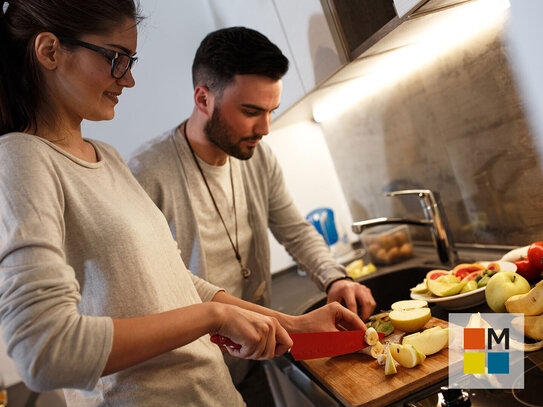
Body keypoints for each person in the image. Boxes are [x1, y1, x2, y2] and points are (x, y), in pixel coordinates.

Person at [0, 2, 366, 407]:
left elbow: (174, 283)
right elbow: (44, 353)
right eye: (117, 59)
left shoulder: (106, 157)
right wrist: (214, 318)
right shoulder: (21, 159)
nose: (130, 79)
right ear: (50, 50)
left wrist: (293, 324)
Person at [128, 26, 377, 404]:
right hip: (193, 374)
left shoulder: (256, 155)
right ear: (203, 98)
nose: (264, 129)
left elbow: (294, 228)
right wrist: (289, 323)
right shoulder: (146, 174)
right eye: (250, 112)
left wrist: (334, 278)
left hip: (252, 354)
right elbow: (170, 286)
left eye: (271, 111)